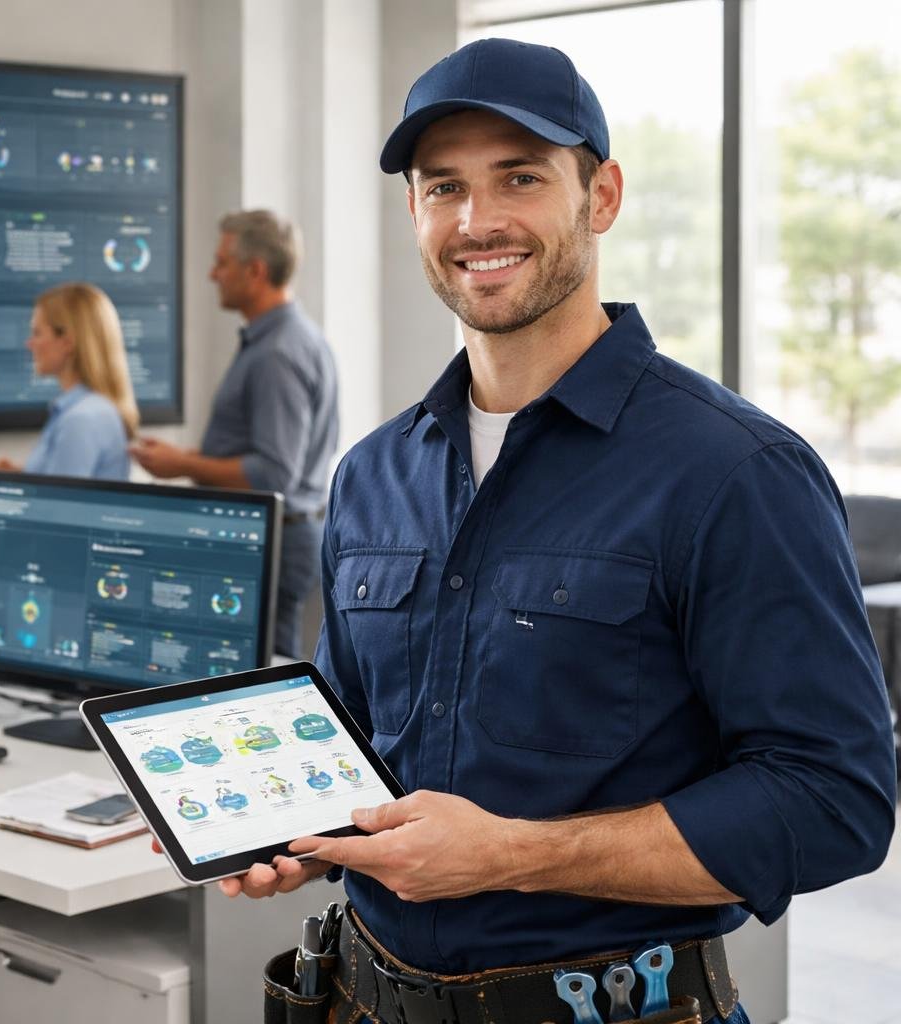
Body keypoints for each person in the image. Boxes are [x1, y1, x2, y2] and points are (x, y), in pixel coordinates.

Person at [219, 38, 897, 1024]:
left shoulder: (735, 470)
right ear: (414, 213)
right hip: (358, 999)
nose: (476, 220)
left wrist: (511, 854)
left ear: (602, 196)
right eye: (444, 186)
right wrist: (294, 826)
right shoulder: (372, 473)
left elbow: (834, 802)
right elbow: (355, 733)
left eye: (521, 177)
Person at [130, 211, 338, 658]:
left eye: (221, 262)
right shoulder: (289, 339)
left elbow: (275, 474)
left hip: (274, 544)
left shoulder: (277, 353)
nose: (212, 274)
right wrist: (189, 458)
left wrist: (183, 465)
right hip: (277, 538)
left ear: (255, 271)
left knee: (263, 679)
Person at [0, 282, 138, 480]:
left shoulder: (80, 420)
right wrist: (14, 475)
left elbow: (57, 499)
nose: (29, 344)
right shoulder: (90, 409)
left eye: (37, 333)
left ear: (67, 342)